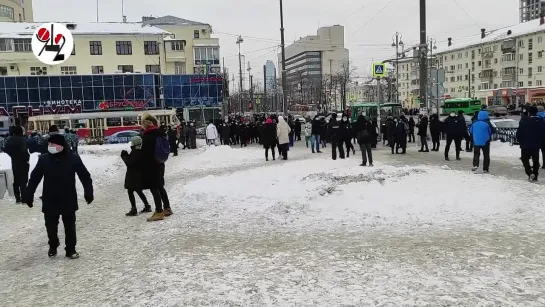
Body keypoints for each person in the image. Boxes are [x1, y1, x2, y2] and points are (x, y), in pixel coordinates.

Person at [25, 134, 94, 259]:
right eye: (49, 144)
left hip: (68, 197)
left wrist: (88, 191)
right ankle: (53, 244)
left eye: (53, 144)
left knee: (70, 227)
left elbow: (84, 175)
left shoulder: (73, 158)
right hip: (50, 199)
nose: (50, 146)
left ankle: (71, 249)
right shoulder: (44, 159)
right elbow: (34, 178)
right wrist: (29, 194)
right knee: (51, 227)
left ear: (61, 146)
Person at [139, 113, 173, 221]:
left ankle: (159, 212)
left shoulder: (148, 135)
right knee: (160, 186)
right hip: (160, 163)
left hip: (151, 165)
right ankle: (167, 208)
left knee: (154, 187)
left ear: (146, 124)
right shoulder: (159, 133)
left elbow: (145, 153)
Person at [121, 136, 151, 216]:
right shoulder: (140, 151)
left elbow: (130, 163)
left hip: (133, 175)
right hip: (139, 175)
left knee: (130, 191)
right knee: (138, 190)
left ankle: (134, 208)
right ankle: (147, 205)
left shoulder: (135, 152)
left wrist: (124, 156)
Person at [517, 106, 545, 181]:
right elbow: (543, 133)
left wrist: (520, 141)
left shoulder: (523, 121)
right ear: (537, 112)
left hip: (525, 145)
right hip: (536, 145)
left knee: (524, 159)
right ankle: (535, 175)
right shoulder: (540, 121)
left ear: (529, 112)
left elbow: (519, 133)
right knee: (535, 160)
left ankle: (529, 172)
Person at [4, 126, 29, 204]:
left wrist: (13, 155)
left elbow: (6, 149)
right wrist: (27, 158)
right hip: (23, 162)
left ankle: (17, 198)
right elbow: (24, 151)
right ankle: (24, 199)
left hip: (14, 162)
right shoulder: (22, 139)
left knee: (16, 180)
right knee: (23, 181)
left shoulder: (9, 139)